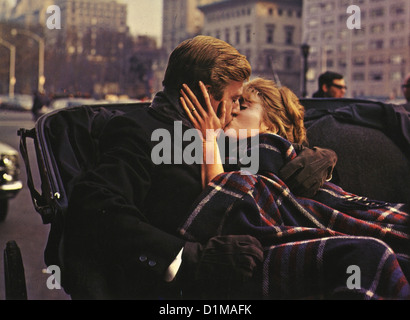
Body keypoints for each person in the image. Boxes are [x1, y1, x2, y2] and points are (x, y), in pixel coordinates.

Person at [63, 36, 337, 300]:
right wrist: (187, 256)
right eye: (234, 99)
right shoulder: (140, 131)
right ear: (205, 96)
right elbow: (94, 204)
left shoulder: (216, 134)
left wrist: (319, 157)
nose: (236, 108)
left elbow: (272, 146)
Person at [179, 77, 410, 299]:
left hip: (343, 223)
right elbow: (228, 200)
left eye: (245, 105)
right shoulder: (209, 148)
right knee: (370, 255)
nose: (233, 110)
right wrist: (209, 140)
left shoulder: (274, 149)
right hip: (262, 251)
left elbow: (231, 196)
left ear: (270, 122)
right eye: (233, 103)